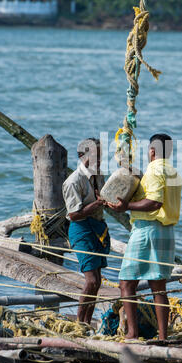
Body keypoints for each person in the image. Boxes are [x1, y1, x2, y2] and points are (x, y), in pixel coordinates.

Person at [107, 133, 182, 340]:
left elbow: (155, 202)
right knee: (158, 285)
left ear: (152, 151)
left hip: (148, 229)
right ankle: (163, 336)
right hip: (166, 232)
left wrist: (126, 206)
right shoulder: (173, 171)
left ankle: (132, 332)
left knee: (126, 282)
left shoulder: (155, 169)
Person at [62, 138, 110, 324]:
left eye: (101, 155)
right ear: (83, 156)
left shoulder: (99, 176)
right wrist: (98, 203)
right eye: (95, 155)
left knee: (97, 282)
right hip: (81, 229)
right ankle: (80, 324)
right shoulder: (73, 181)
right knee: (90, 280)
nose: (99, 159)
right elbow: (73, 214)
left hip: (97, 228)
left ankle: (87, 322)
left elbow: (104, 198)